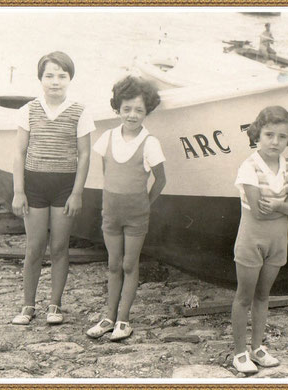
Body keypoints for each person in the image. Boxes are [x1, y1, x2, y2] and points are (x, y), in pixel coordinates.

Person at [11, 51, 95, 326]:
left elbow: (84, 155)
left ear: (70, 78)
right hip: (34, 185)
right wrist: (18, 191)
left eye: (62, 75)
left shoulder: (80, 111)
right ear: (40, 79)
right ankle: (28, 305)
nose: (55, 81)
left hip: (64, 187)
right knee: (34, 247)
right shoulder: (29, 110)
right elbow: (19, 152)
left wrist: (77, 192)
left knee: (59, 247)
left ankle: (55, 305)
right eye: (49, 75)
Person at [86, 76, 166, 341]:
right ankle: (108, 317)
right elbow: (106, 172)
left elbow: (161, 179)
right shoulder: (107, 137)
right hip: (110, 213)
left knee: (130, 265)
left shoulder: (149, 142)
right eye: (127, 109)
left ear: (147, 112)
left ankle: (124, 319)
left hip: (135, 217)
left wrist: (144, 204)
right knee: (112, 264)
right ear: (117, 109)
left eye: (139, 110)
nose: (132, 115)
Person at [231, 106, 288, 373]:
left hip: (278, 242)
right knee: (244, 296)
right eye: (269, 135)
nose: (275, 142)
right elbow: (259, 209)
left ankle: (258, 347)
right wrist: (285, 203)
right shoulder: (249, 166)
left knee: (263, 296)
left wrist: (277, 204)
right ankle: (239, 352)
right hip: (252, 240)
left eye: (282, 137)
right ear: (257, 135)